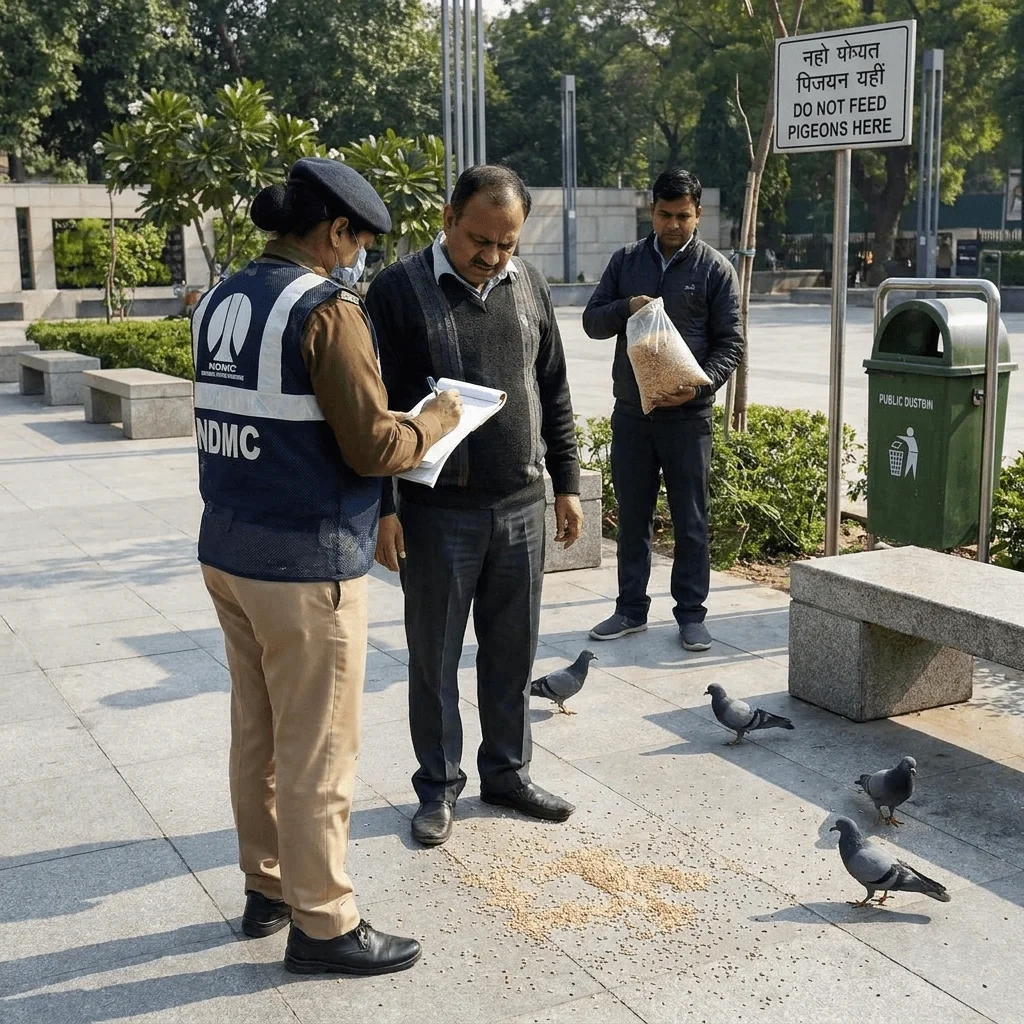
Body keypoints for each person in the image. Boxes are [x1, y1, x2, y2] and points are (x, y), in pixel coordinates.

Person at [192, 157, 462, 975]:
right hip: (307, 565)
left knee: (259, 735)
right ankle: (324, 924)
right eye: (360, 242)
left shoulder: (223, 298)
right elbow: (374, 444)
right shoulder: (326, 310)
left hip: (230, 550)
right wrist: (436, 421)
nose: (360, 258)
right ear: (335, 230)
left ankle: (268, 887)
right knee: (318, 748)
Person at [365, 165, 583, 848]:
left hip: (520, 504)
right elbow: (374, 410)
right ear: (448, 218)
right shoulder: (397, 290)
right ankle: (438, 786)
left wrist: (567, 483)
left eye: (506, 244)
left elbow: (553, 387)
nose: (491, 256)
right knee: (434, 657)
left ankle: (508, 774)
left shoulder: (531, 286)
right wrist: (384, 507)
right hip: (436, 513)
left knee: (512, 651)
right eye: (479, 241)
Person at [583, 168, 743, 651]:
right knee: (633, 517)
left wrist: (697, 388)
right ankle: (630, 609)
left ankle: (691, 615)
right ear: (651, 211)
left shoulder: (715, 269)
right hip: (633, 414)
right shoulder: (626, 261)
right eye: (664, 214)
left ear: (698, 215)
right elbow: (592, 321)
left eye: (683, 216)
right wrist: (625, 307)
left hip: (688, 418)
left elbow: (731, 344)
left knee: (691, 520)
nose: (673, 224)